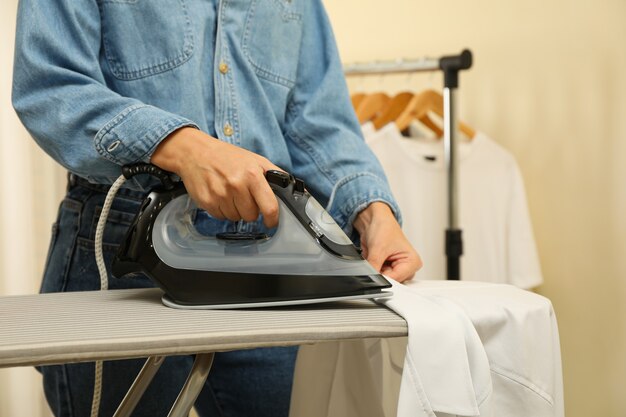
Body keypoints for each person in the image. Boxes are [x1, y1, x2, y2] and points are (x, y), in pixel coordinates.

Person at [12, 0, 422, 416]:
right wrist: (183, 147)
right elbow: (49, 85)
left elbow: (318, 121)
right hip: (127, 232)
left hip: (266, 255)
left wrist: (371, 213)